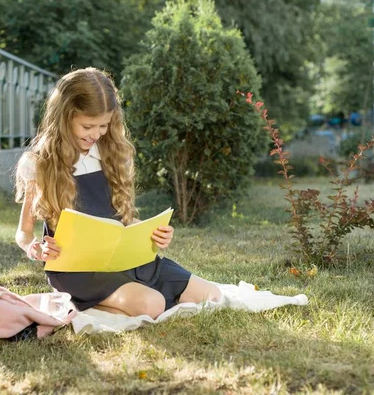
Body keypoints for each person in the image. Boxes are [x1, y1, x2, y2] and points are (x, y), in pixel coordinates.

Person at [14, 67, 221, 319]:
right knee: (152, 304)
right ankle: (80, 304)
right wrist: (33, 247)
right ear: (64, 117)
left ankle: (129, 296)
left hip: (122, 260)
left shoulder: (110, 153)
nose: (96, 134)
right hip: (79, 270)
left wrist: (151, 233)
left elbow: (123, 222)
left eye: (103, 125)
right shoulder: (40, 163)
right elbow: (24, 232)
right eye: (88, 126)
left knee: (212, 296)